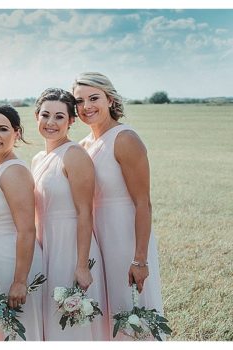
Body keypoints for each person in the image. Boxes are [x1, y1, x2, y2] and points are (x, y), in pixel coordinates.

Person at [74, 72, 164, 340]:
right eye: (79, 101)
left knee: (132, 313)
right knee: (106, 314)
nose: (86, 106)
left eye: (94, 98)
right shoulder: (82, 146)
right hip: (97, 240)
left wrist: (140, 258)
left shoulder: (125, 138)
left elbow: (143, 203)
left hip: (125, 238)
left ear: (110, 99)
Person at [30, 88, 111, 340]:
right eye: (45, 115)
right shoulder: (38, 158)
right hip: (47, 247)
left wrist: (82, 265)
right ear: (36, 116)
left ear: (71, 121)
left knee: (73, 328)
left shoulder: (74, 155)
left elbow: (85, 212)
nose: (50, 123)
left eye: (59, 117)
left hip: (72, 248)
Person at [0, 105, 44, 341]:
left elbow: (27, 229)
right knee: (2, 328)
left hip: (12, 260)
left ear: (17, 133)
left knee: (16, 329)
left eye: (3, 129)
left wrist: (20, 281)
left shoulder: (14, 171)